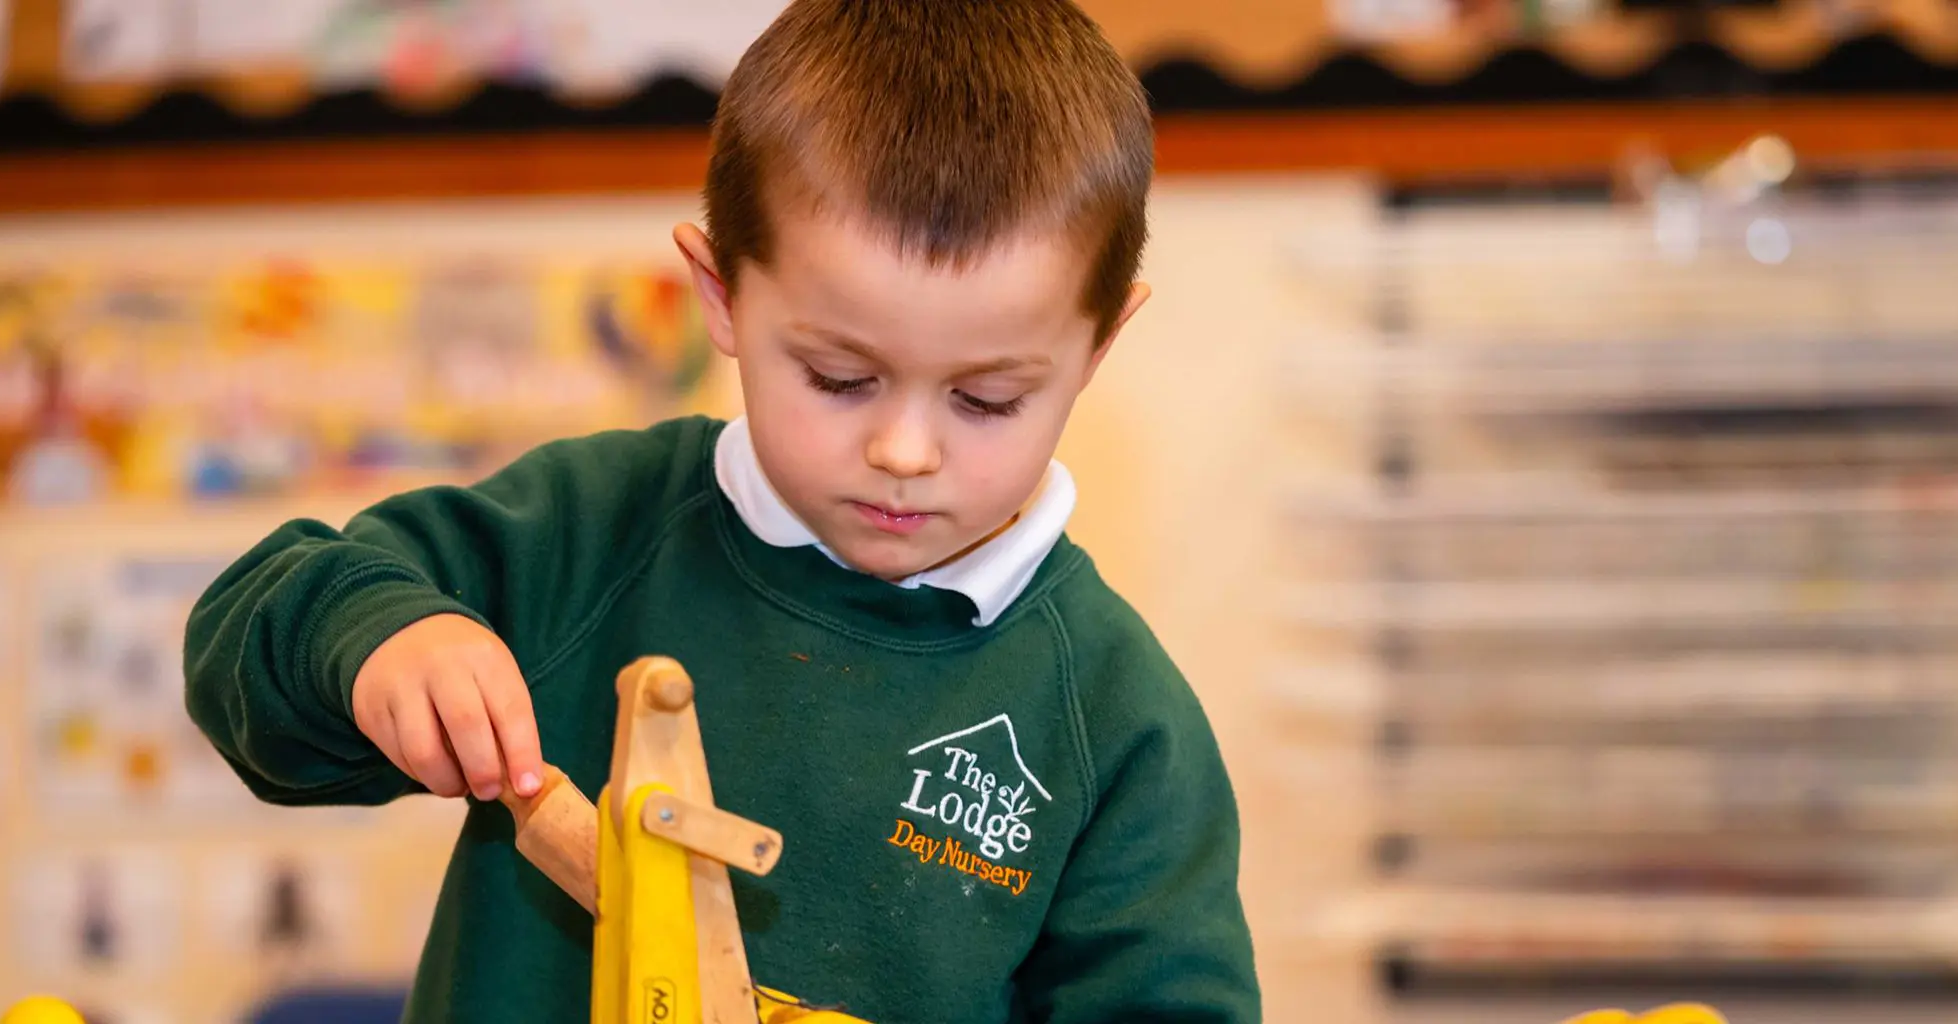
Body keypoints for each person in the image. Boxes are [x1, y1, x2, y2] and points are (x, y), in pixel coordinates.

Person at [180, 2, 1259, 1022]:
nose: (904, 451)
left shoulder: (1119, 725)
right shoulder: (591, 532)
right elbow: (247, 643)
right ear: (722, 295)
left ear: (1099, 345)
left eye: (986, 399)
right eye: (838, 377)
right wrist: (375, 640)